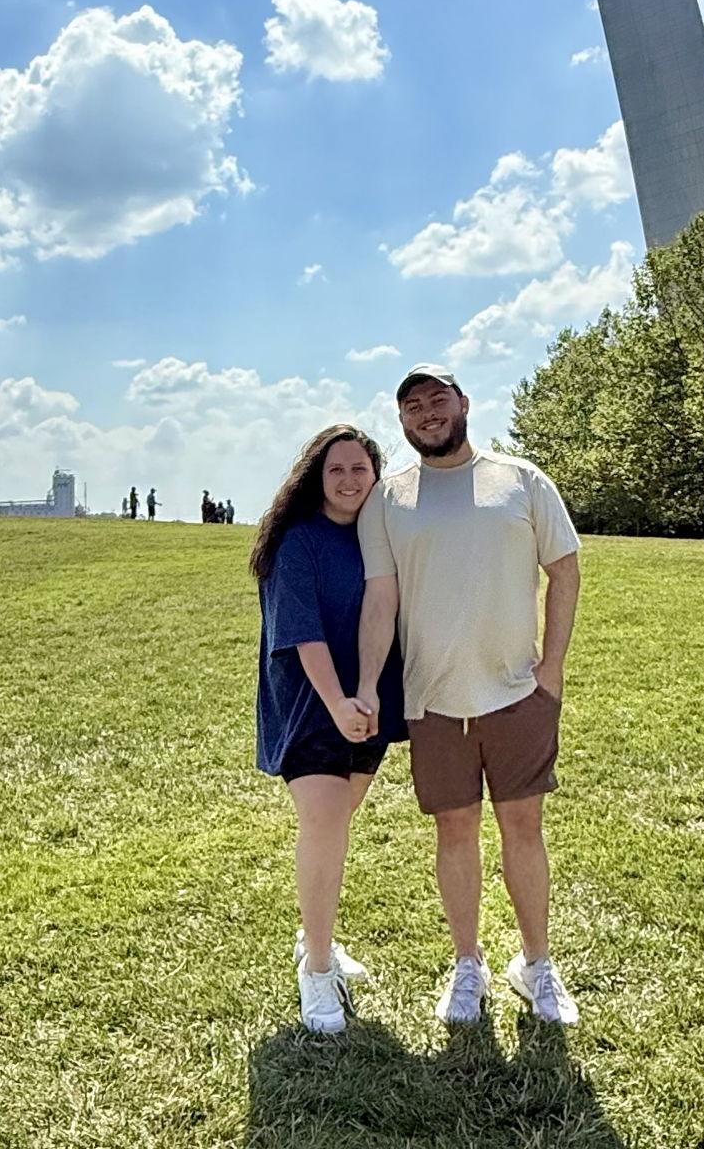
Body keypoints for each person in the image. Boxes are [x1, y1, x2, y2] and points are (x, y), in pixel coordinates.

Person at [356, 363, 583, 1027]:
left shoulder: (521, 480)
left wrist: (553, 671)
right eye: (411, 407)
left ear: (463, 403)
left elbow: (565, 570)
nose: (426, 412)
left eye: (437, 399)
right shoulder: (388, 498)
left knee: (523, 830)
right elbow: (380, 597)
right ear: (401, 422)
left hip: (517, 694)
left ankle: (537, 965)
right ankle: (467, 965)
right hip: (431, 701)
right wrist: (370, 684)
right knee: (454, 833)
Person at [252, 423, 407, 1036]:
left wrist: (365, 694)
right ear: (317, 476)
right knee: (323, 823)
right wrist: (338, 701)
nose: (349, 480)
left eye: (360, 470)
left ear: (375, 477)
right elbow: (300, 634)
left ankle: (315, 936)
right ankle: (317, 969)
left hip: (368, 701)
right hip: (310, 704)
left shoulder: (379, 537)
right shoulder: (297, 542)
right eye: (336, 469)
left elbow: (387, 610)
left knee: (338, 824)